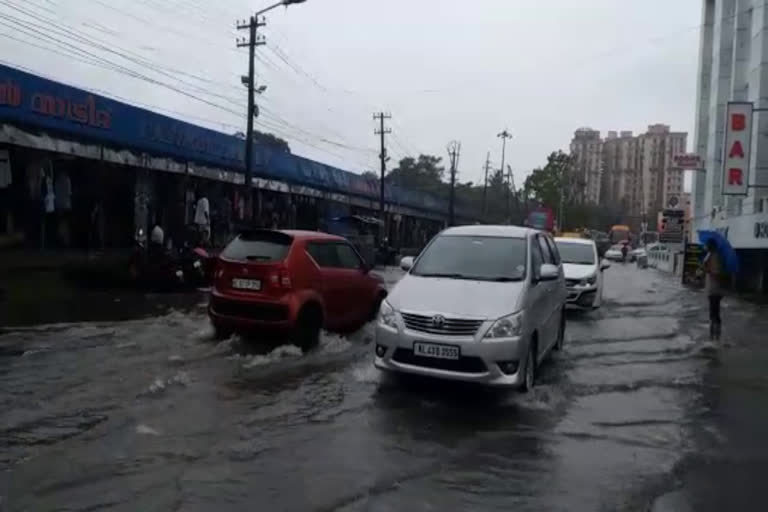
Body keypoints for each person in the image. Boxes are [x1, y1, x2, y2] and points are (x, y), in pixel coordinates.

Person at [703, 239, 724, 340]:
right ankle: (713, 334)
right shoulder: (710, 255)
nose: (705, 246)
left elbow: (716, 273)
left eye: (706, 244)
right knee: (713, 312)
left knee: (714, 313)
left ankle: (715, 335)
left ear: (710, 246)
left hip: (715, 289)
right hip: (712, 289)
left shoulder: (715, 256)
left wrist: (708, 270)